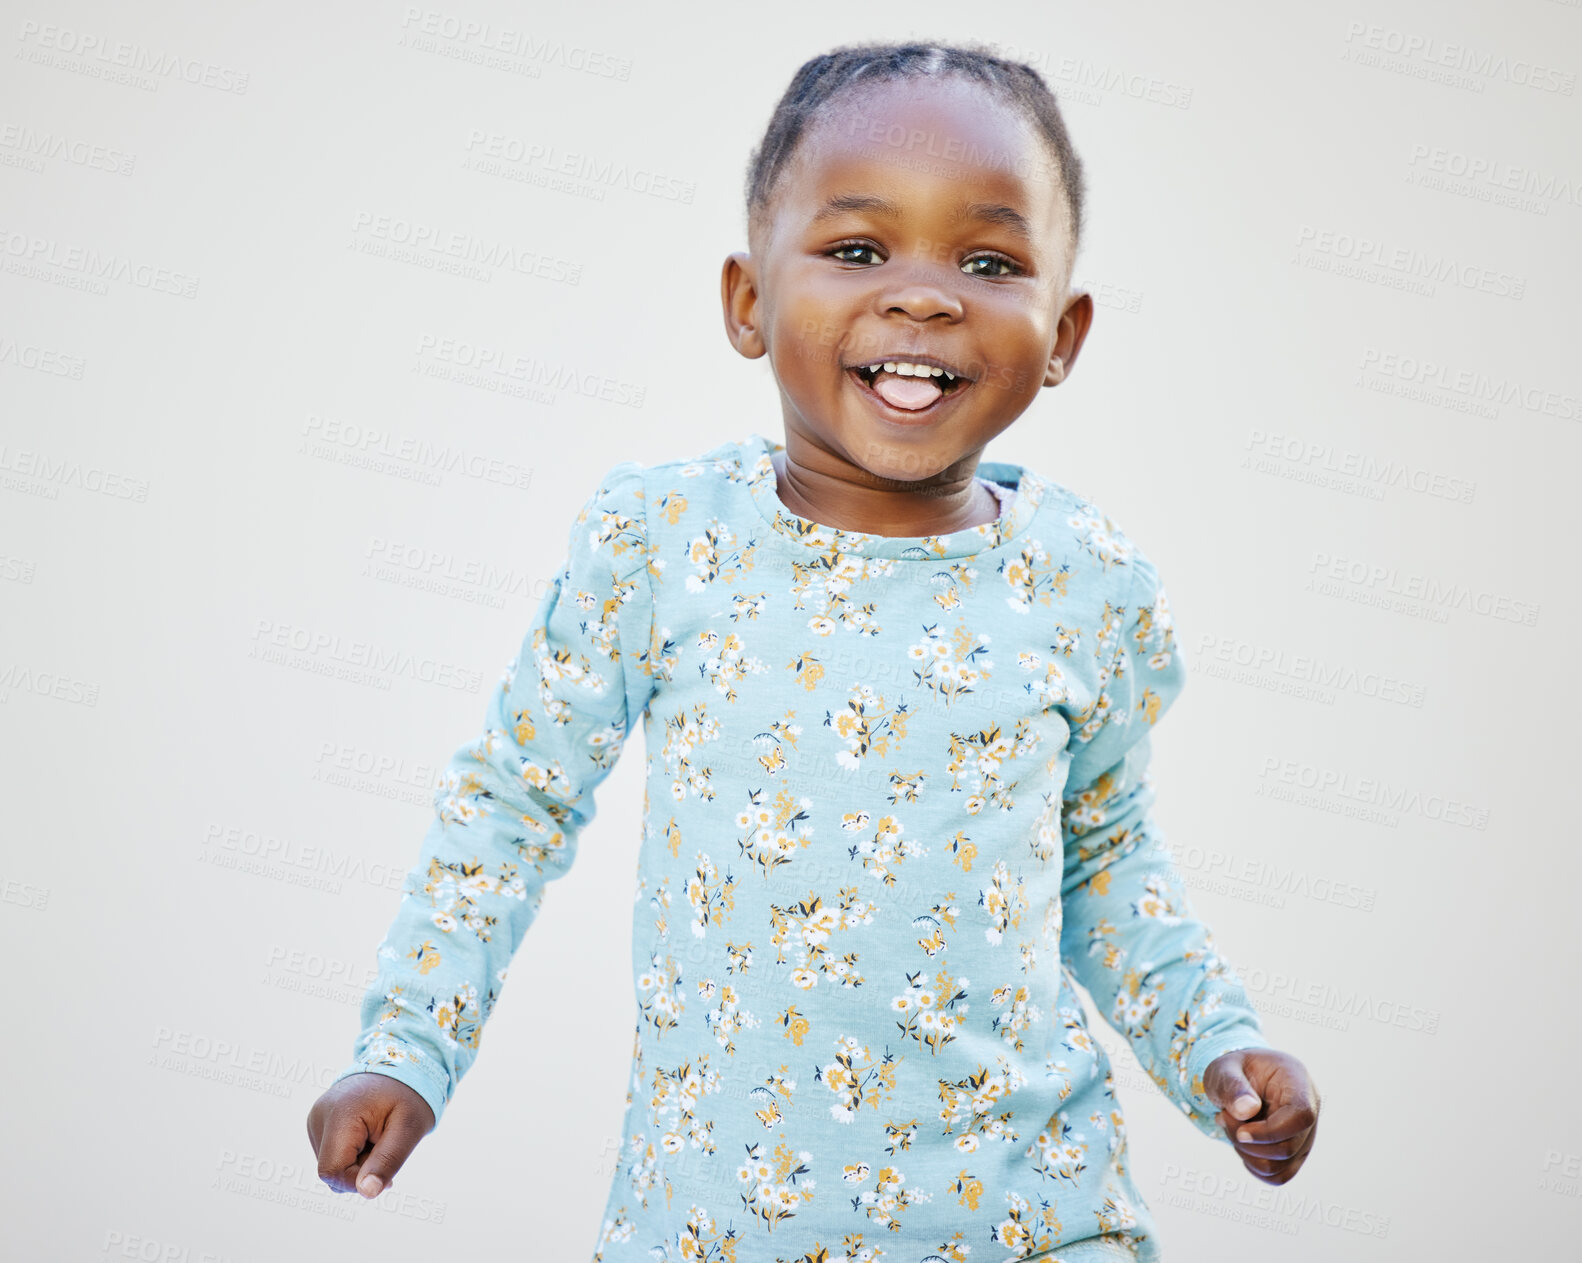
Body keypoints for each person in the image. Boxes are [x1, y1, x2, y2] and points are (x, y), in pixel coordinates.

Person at [306, 39, 1320, 1262]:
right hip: (715, 1231)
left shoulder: (1084, 581)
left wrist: (1216, 1043)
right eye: (856, 250)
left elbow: (1102, 860)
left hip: (1035, 1223)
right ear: (747, 300)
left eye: (989, 262)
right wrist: (405, 1046)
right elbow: (509, 808)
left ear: (1064, 333)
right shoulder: (660, 544)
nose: (924, 295)